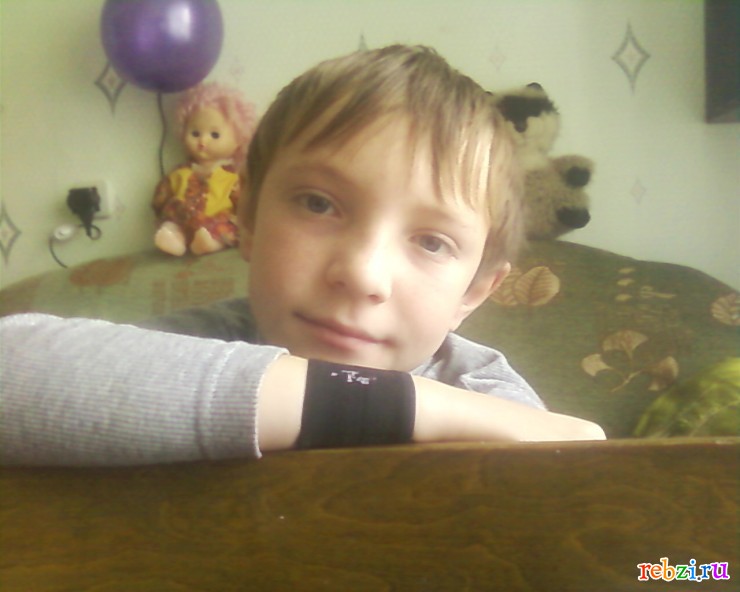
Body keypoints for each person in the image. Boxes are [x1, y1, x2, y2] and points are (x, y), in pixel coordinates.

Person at [1, 45, 605, 467]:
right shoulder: (204, 343)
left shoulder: (481, 387)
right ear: (247, 219)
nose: (362, 274)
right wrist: (400, 407)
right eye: (319, 204)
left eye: (431, 241)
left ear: (472, 292)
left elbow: (614, 540)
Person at [153, 82, 257, 256]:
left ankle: (210, 242)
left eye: (214, 135)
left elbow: (244, 203)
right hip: (183, 217)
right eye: (195, 133)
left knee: (228, 226)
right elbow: (163, 194)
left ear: (239, 140)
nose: (202, 142)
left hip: (217, 219)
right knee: (172, 221)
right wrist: (160, 201)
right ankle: (173, 237)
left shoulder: (233, 177)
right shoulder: (181, 172)